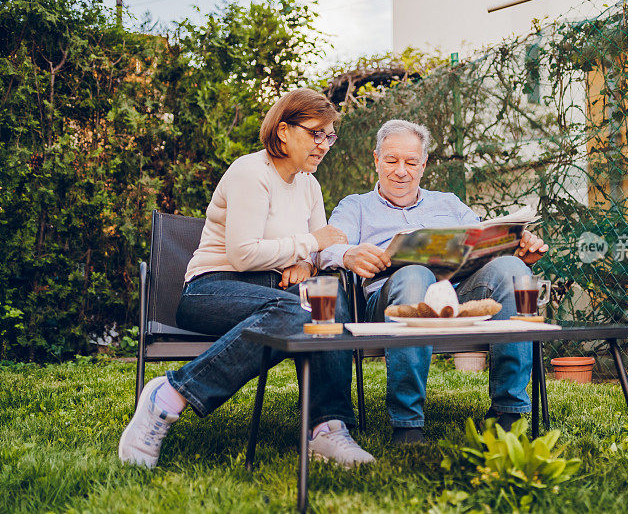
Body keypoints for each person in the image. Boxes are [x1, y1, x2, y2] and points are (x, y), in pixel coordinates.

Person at [118, 89, 374, 468]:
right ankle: (171, 394)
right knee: (301, 312)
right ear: (284, 131)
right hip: (212, 289)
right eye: (316, 133)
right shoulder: (251, 172)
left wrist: (307, 263)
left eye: (330, 136)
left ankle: (327, 430)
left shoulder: (309, 185)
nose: (324, 145)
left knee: (327, 301)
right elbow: (243, 253)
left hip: (275, 292)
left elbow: (319, 251)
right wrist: (306, 245)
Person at [318, 119, 549, 445]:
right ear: (376, 159)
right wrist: (349, 254)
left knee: (511, 268)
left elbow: (483, 243)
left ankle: (508, 414)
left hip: (458, 296)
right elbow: (326, 249)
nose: (401, 171)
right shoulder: (355, 207)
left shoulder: (449, 203)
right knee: (415, 273)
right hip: (389, 301)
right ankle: (408, 424)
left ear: (423, 165)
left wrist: (516, 247)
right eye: (391, 160)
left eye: (411, 162)